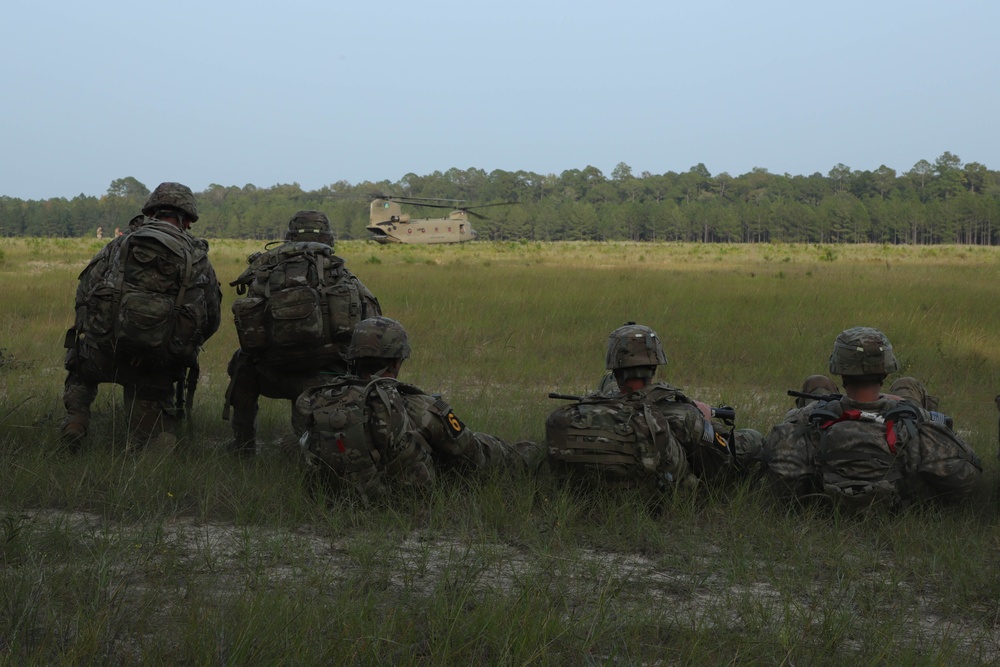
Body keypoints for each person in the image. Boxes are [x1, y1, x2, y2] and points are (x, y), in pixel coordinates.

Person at [295, 316, 541, 499]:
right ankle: (533, 453)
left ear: (353, 357)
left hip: (331, 498)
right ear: (396, 361)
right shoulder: (414, 404)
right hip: (397, 501)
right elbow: (470, 452)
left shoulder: (318, 400)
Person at [60, 182, 222, 450]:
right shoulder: (196, 256)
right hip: (155, 361)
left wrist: (96, 330)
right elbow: (211, 318)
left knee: (79, 365)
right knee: (149, 427)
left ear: (152, 212)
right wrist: (178, 347)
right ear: (187, 220)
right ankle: (143, 443)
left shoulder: (120, 243)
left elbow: (85, 292)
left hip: (102, 352)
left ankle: (76, 418)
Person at [762, 326, 982, 508]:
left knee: (817, 383)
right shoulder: (916, 424)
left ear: (841, 371)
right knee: (907, 384)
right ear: (885, 371)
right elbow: (967, 476)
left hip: (830, 420)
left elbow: (781, 474)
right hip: (900, 421)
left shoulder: (809, 420)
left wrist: (828, 404)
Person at [222, 211, 381, 456]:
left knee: (240, 363)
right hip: (327, 377)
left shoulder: (265, 273)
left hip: (271, 372)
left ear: (289, 237)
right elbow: (372, 324)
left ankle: (243, 445)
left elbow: (250, 330)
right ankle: (313, 446)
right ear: (329, 239)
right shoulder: (342, 275)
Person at [547, 323, 762, 491]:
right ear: (654, 365)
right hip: (655, 499)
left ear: (614, 368)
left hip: (588, 496)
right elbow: (721, 468)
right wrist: (704, 420)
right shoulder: (682, 415)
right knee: (752, 437)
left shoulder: (589, 409)